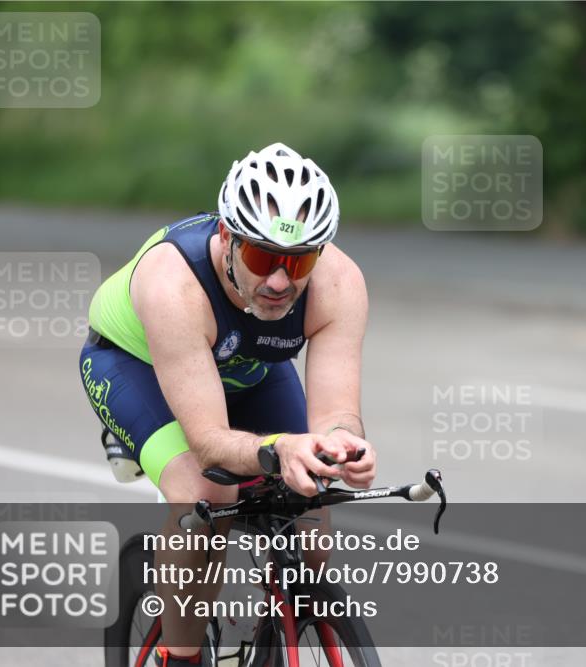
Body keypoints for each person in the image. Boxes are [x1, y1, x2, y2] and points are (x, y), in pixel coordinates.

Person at [79, 143, 375, 666]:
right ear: (226, 238)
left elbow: (335, 413)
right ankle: (182, 655)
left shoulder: (339, 282)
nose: (281, 281)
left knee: (312, 518)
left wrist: (342, 442)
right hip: (136, 363)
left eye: (299, 259)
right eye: (263, 258)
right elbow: (212, 444)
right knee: (207, 489)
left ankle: (276, 634)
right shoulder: (174, 284)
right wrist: (279, 447)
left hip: (246, 364)